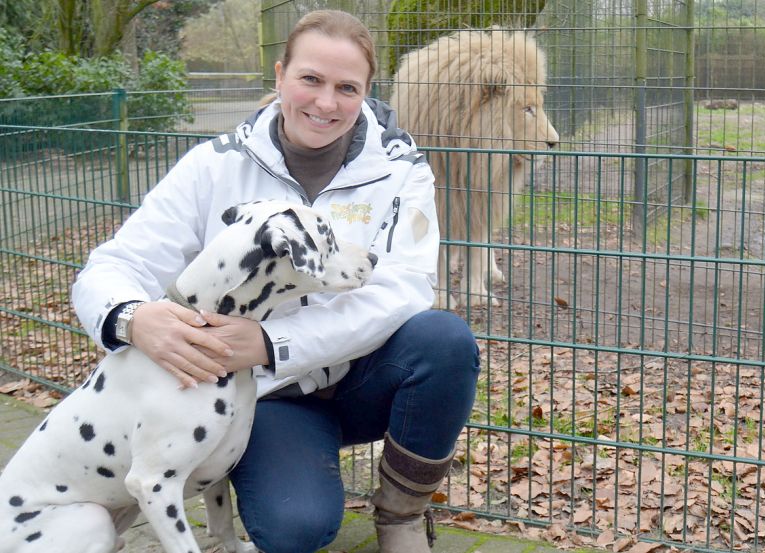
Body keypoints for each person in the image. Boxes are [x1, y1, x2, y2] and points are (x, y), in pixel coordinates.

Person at [71, 9, 480, 553]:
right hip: (268, 395)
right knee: (295, 531)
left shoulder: (402, 169)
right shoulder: (212, 166)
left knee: (445, 340)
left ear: (366, 92)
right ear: (281, 74)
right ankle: (291, 474)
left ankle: (401, 520)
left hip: (365, 376)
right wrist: (131, 317)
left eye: (346, 87)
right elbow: (113, 266)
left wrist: (270, 342)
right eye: (310, 79)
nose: (325, 102)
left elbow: (405, 288)